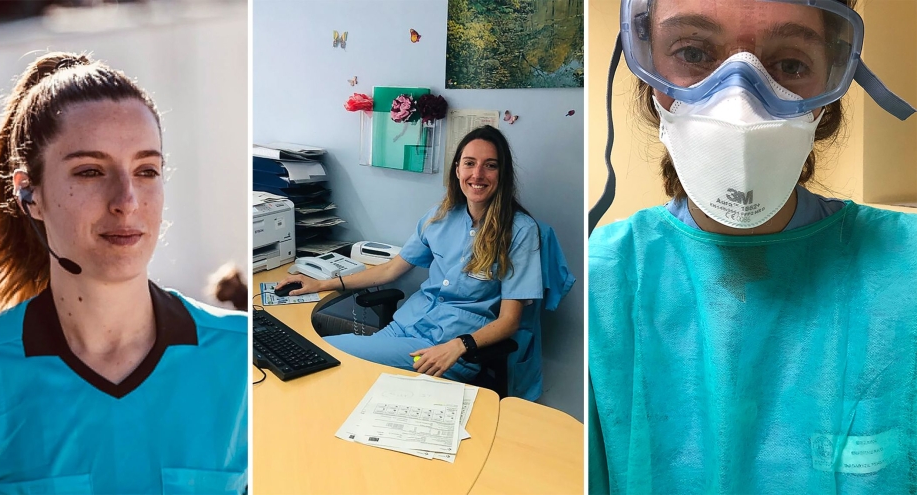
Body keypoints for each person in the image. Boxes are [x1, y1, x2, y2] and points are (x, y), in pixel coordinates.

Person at [588, 0, 917, 493]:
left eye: (788, 65)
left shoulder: (905, 266)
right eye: (694, 53)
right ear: (649, 75)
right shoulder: (607, 279)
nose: (740, 100)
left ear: (830, 89)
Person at [0, 52, 247, 493]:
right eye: (90, 171)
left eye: (146, 170)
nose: (126, 200)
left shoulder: (243, 359)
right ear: (30, 194)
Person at [277, 125, 543, 388]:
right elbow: (390, 270)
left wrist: (459, 346)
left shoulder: (520, 231)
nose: (478, 174)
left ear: (502, 173)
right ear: (457, 169)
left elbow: (509, 321)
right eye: (469, 163)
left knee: (318, 353)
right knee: (316, 363)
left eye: (490, 165)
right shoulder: (441, 217)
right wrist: (323, 284)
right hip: (403, 329)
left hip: (447, 350)